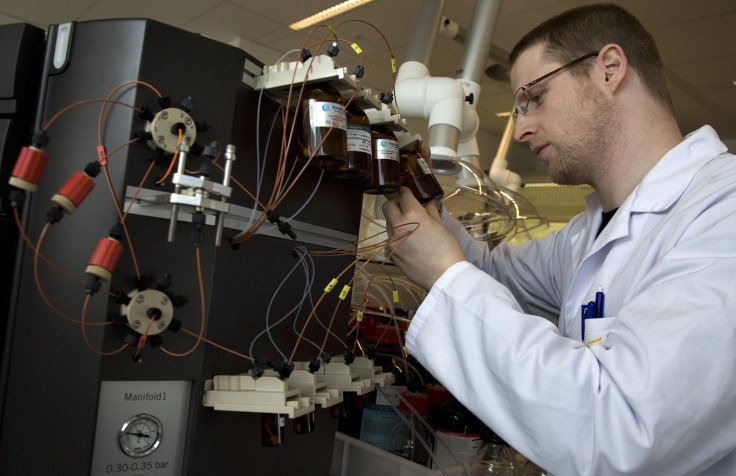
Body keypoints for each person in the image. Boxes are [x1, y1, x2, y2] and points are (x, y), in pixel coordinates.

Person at [381, 4, 736, 475]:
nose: (522, 127)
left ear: (609, 69)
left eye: (534, 97)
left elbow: (623, 431)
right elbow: (490, 273)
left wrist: (445, 273)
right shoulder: (583, 235)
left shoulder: (720, 214)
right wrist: (419, 192)